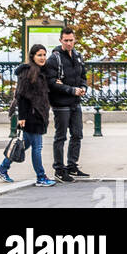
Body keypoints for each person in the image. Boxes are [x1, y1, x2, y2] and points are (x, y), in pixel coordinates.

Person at [0, 43, 57, 187]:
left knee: (24, 145)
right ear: (32, 56)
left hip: (39, 114)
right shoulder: (28, 72)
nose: (42, 58)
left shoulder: (42, 72)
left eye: (44, 55)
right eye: (39, 55)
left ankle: (3, 168)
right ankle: (41, 177)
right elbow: (21, 96)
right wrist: (22, 117)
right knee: (37, 147)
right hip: (31, 115)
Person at [45, 27, 89, 181]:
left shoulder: (78, 56)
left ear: (74, 39)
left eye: (71, 40)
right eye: (66, 40)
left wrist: (83, 87)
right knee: (61, 136)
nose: (69, 43)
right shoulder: (54, 59)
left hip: (75, 103)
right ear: (60, 41)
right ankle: (59, 168)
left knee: (77, 134)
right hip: (60, 103)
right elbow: (51, 83)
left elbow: (83, 76)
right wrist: (71, 90)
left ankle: (72, 165)